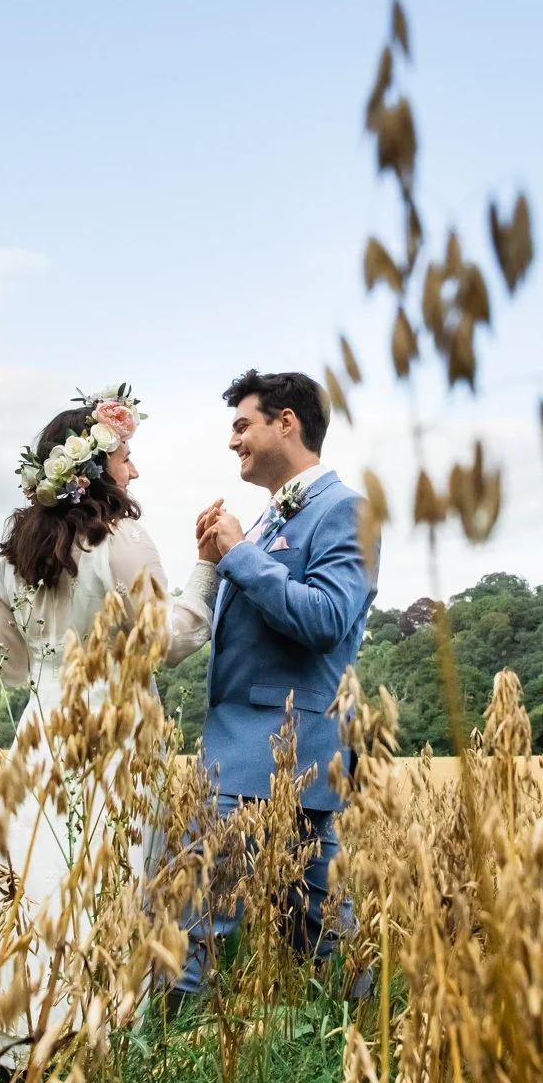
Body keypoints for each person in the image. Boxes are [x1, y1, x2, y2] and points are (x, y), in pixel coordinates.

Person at [0, 386, 218, 1071]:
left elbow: (11, 661)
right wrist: (206, 574)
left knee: (34, 887)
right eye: (126, 458)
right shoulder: (123, 541)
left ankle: (20, 1047)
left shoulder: (12, 554)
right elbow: (165, 643)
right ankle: (99, 1046)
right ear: (93, 470)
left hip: (41, 734)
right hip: (111, 734)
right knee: (107, 881)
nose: (134, 471)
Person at [171, 368, 379, 1009]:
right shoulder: (267, 521)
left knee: (193, 930)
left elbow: (325, 618)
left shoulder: (346, 509)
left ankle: (156, 1054)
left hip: (276, 754)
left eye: (242, 425)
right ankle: (355, 1043)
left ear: (286, 422)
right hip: (259, 753)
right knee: (321, 935)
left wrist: (240, 554)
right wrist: (218, 556)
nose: (233, 441)